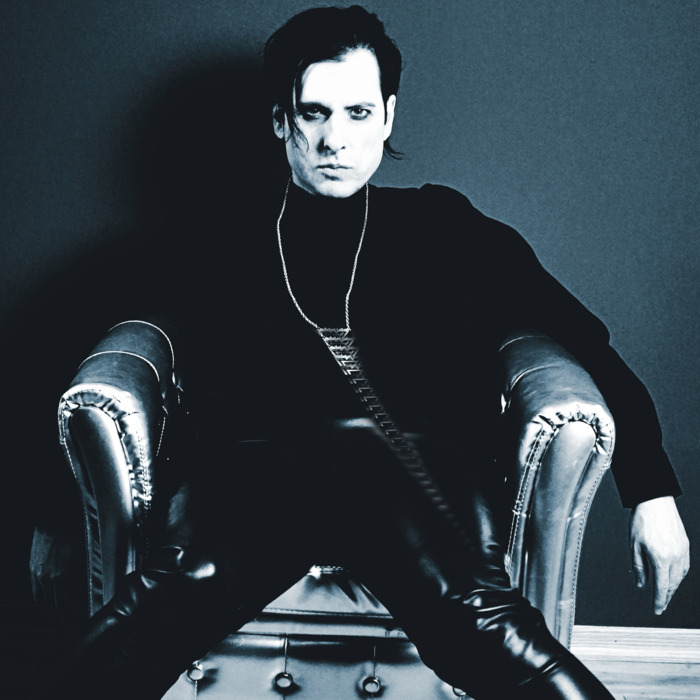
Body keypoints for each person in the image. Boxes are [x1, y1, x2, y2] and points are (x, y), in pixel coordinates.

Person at [31, 5, 689, 699]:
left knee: (459, 593)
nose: (334, 139)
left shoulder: (444, 227)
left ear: (388, 117)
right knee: (187, 581)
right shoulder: (217, 235)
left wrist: (651, 491)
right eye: (312, 113)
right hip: (257, 471)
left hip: (415, 469)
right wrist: (57, 510)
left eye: (357, 112)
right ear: (280, 119)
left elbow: (586, 343)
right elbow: (90, 334)